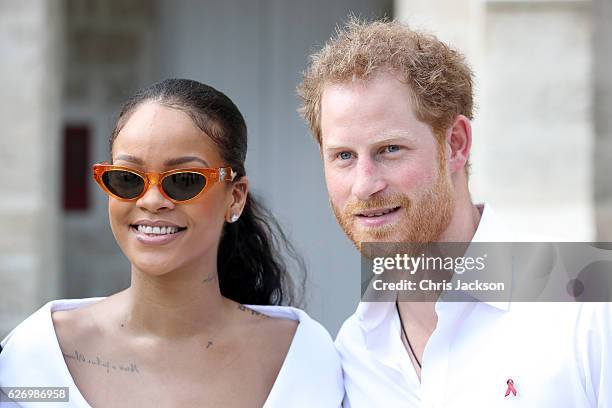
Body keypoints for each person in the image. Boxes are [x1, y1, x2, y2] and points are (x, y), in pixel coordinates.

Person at [297, 18, 611, 407]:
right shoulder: (350, 355)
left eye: (390, 149)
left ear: (457, 145)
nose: (364, 185)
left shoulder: (591, 305)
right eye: (344, 156)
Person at [0, 79, 343, 407]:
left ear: (235, 197)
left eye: (183, 180)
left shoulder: (303, 358)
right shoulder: (38, 358)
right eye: (127, 178)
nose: (151, 200)